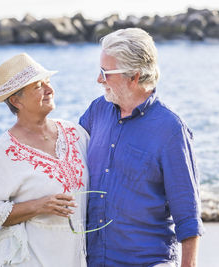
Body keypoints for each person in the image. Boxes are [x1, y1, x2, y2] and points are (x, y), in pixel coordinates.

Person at [79, 28, 204, 266]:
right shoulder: (97, 111)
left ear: (134, 76)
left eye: (105, 73)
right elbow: (67, 160)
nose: (98, 79)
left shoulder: (170, 130)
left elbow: (188, 217)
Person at [0, 53, 89, 267]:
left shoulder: (75, 133)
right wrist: (39, 205)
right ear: (15, 100)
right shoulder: (4, 152)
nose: (49, 90)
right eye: (38, 86)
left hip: (80, 259)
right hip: (34, 260)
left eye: (48, 82)